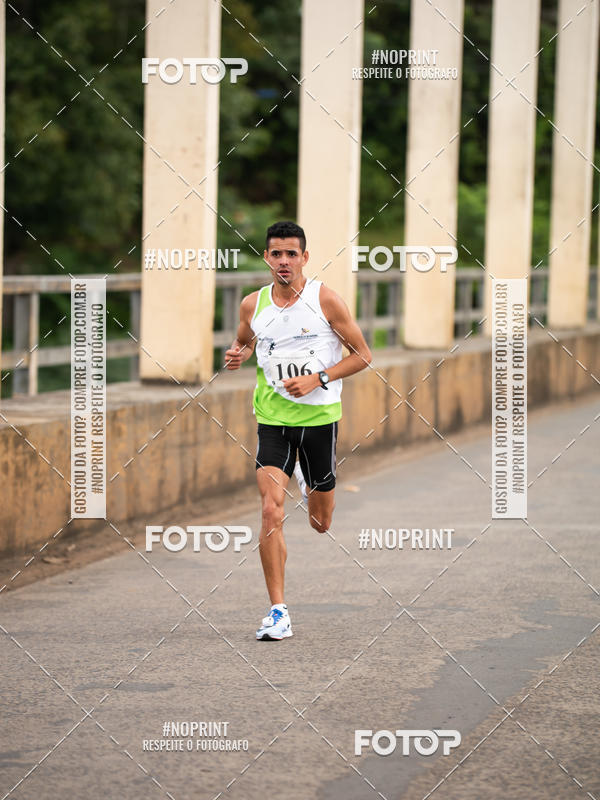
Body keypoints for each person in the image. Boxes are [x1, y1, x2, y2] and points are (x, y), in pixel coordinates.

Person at [225, 221, 372, 640]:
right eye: (276, 254)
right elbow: (245, 341)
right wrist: (238, 354)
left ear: (304, 258)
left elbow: (363, 355)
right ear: (267, 257)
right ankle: (278, 611)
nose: (284, 261)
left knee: (320, 524)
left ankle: (314, 486)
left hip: (318, 421)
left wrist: (317, 378)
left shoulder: (325, 300)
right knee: (271, 509)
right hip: (272, 420)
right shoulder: (253, 304)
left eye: (292, 254)